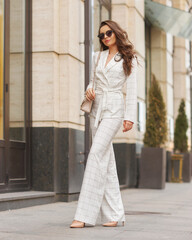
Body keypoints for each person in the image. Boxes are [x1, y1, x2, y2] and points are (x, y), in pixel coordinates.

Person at [70, 20, 138, 228]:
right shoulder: (97, 56)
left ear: (116, 32)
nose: (105, 37)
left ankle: (84, 215)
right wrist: (89, 90)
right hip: (96, 111)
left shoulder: (129, 58)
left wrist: (129, 117)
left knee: (96, 154)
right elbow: (94, 82)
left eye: (108, 33)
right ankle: (114, 215)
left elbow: (133, 90)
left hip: (115, 111)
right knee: (106, 164)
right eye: (101, 35)